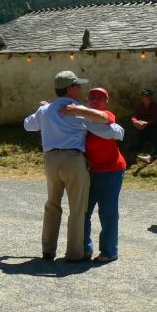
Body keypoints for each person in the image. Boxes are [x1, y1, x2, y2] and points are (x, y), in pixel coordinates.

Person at [24, 70, 124, 262]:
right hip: (73, 159)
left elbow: (28, 125)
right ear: (70, 88)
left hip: (50, 160)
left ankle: (48, 250)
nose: (80, 88)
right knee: (78, 209)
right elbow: (107, 128)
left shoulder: (45, 111)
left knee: (52, 205)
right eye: (77, 85)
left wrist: (45, 111)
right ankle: (75, 253)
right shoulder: (78, 110)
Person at [63, 87, 126, 262]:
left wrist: (77, 110)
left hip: (112, 170)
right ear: (87, 100)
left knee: (108, 212)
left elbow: (104, 119)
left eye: (100, 98)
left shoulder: (106, 115)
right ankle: (85, 249)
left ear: (106, 103)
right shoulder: (80, 120)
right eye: (92, 97)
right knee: (83, 211)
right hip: (89, 172)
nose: (95, 100)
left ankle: (109, 251)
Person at [132, 88, 157, 163]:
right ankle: (138, 147)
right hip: (141, 126)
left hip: (152, 126)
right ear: (142, 98)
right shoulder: (139, 106)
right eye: (146, 96)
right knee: (138, 133)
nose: (148, 98)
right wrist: (135, 122)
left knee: (156, 135)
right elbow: (134, 116)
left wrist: (146, 123)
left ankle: (151, 153)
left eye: (149, 96)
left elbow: (155, 119)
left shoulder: (155, 106)